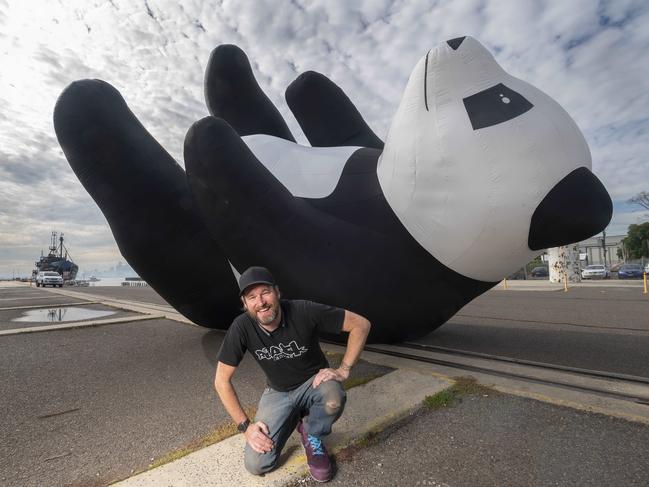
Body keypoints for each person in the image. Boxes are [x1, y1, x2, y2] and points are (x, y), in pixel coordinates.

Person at [214, 266, 371, 482]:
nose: (261, 302)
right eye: (252, 297)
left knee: (333, 398)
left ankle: (312, 433)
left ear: (277, 293)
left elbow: (361, 325)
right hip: (277, 392)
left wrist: (344, 369)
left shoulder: (303, 310)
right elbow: (222, 381)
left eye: (265, 293)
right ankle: (294, 416)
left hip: (313, 383)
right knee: (257, 464)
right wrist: (246, 427)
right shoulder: (241, 327)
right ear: (245, 304)